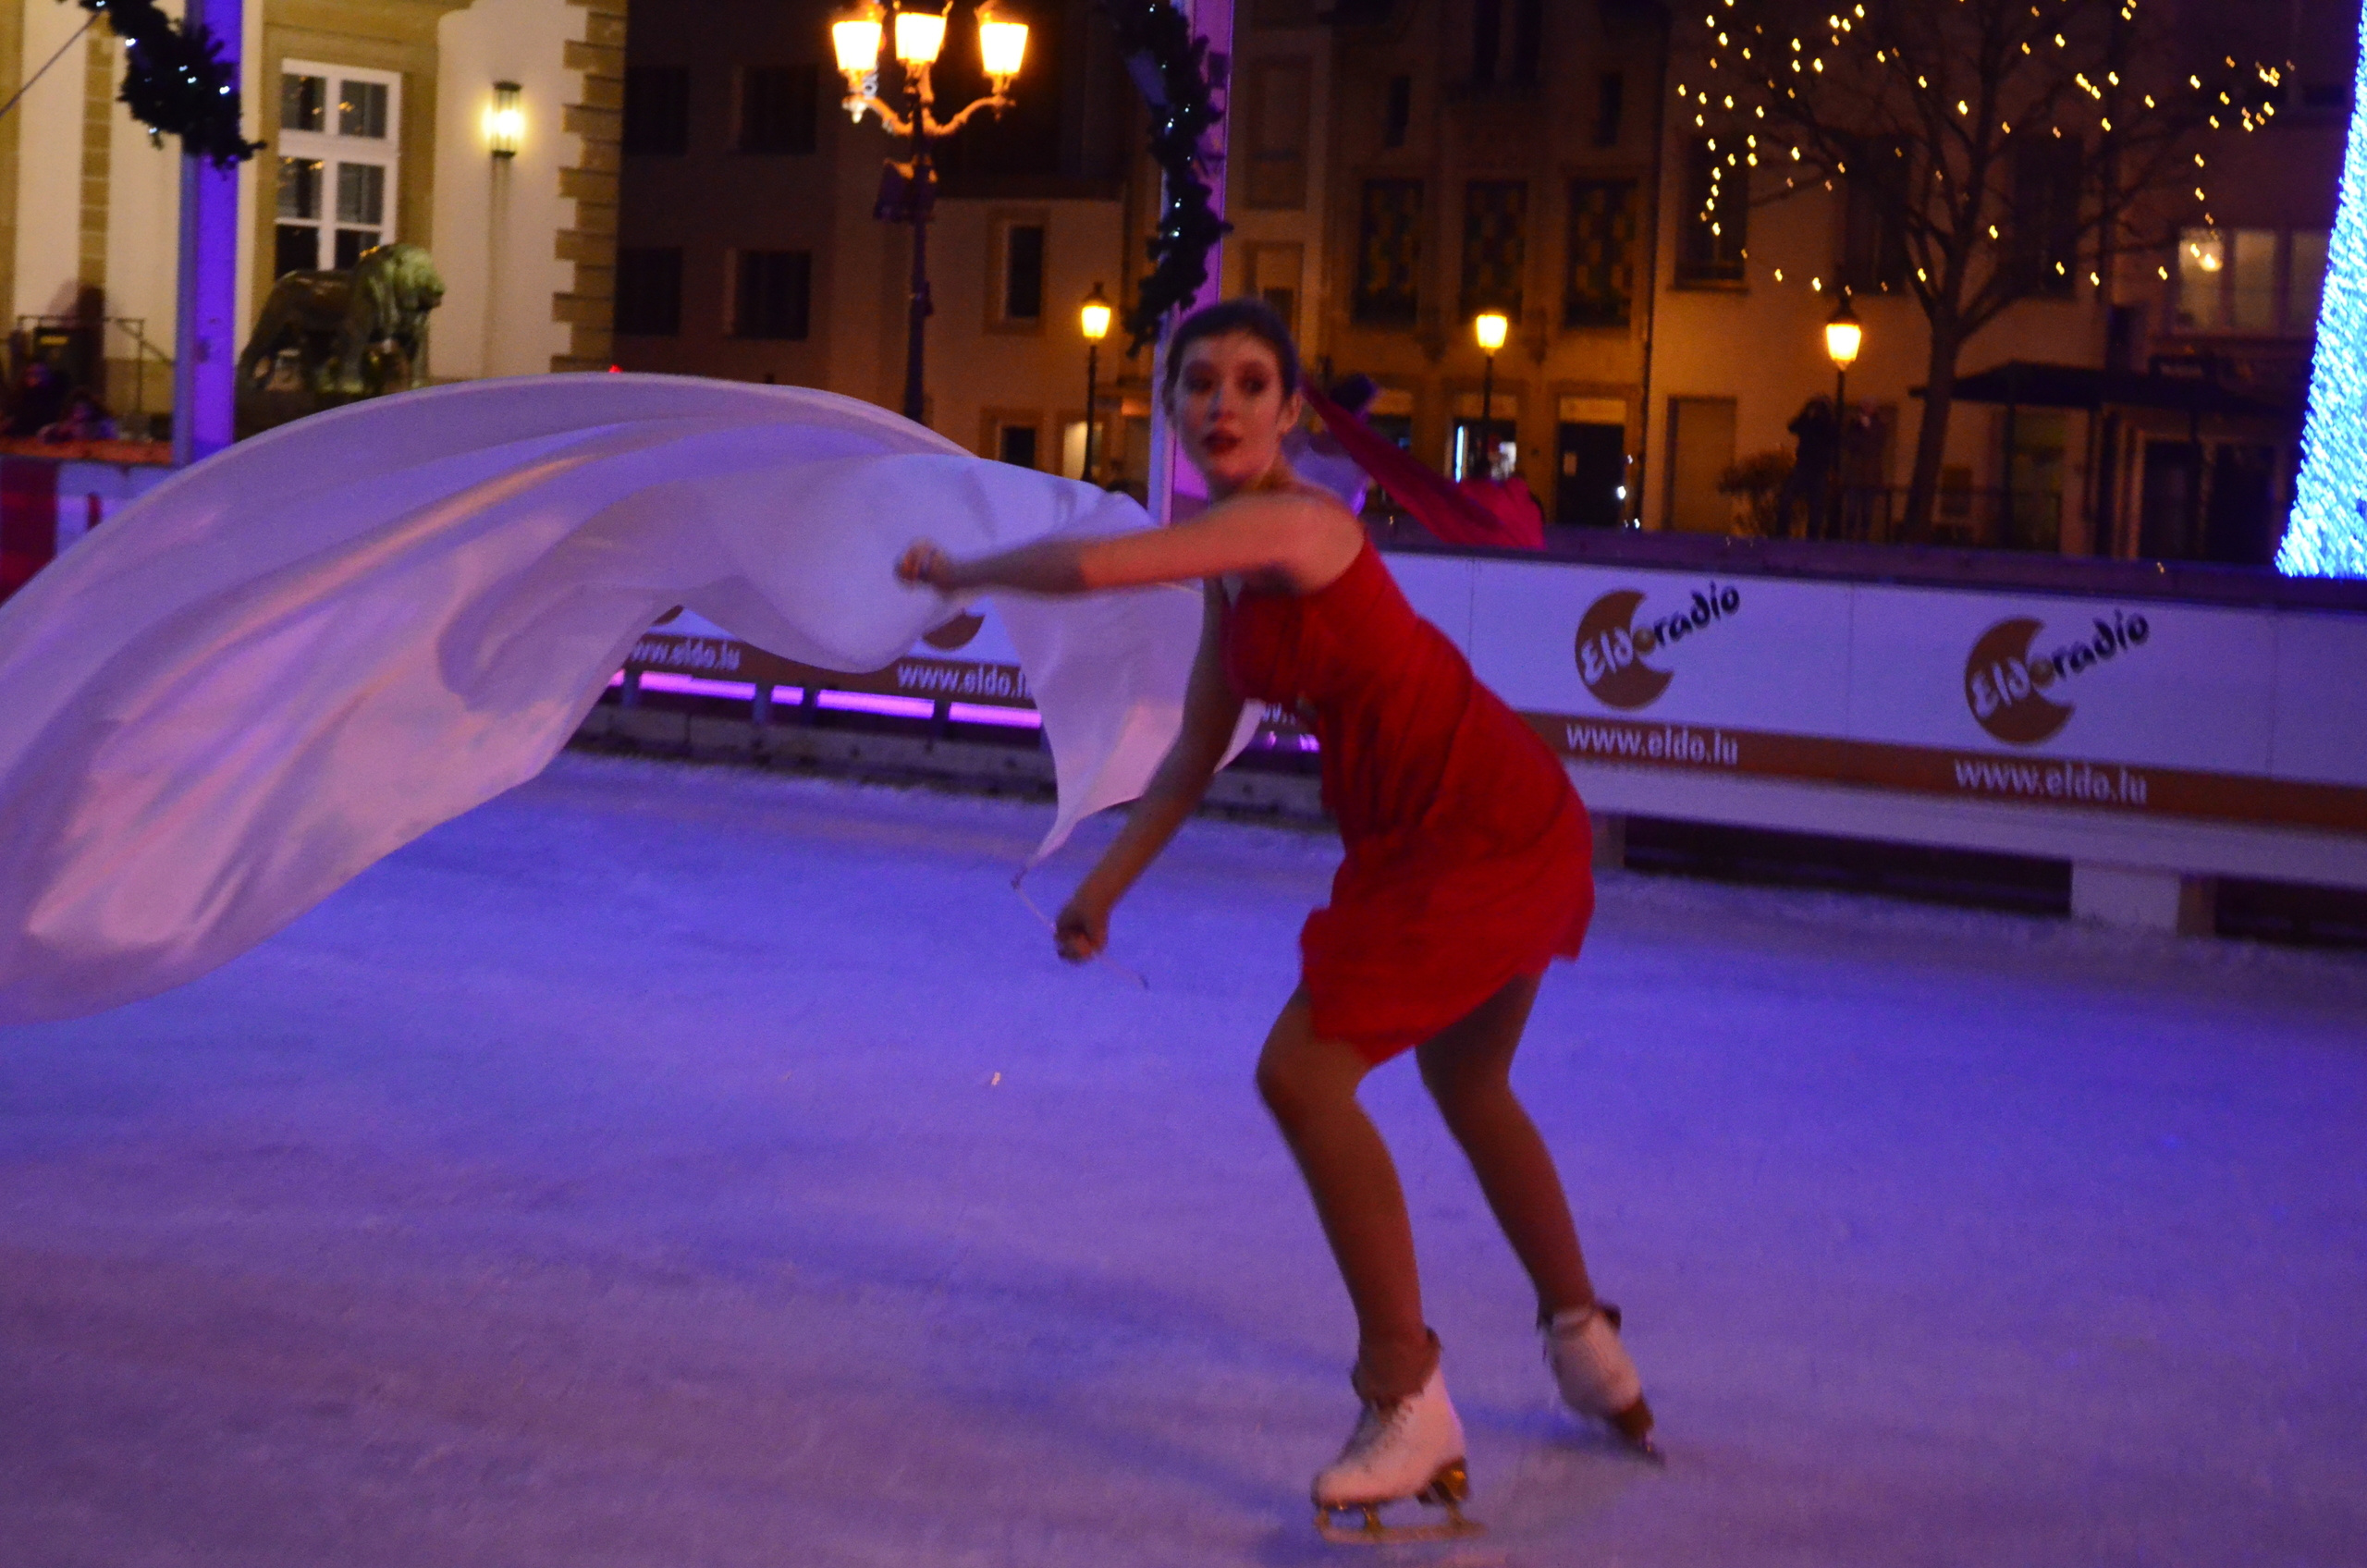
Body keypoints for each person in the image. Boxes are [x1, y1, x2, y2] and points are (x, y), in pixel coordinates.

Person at [895, 299, 1654, 1534]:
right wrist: (1104, 884)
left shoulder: (1301, 526)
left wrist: (964, 570)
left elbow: (1096, 568)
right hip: (1438, 830)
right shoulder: (1236, 589)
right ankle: (1585, 1341)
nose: (1224, 404)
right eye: (1201, 383)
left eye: (1253, 383)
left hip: (1480, 820)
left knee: (1304, 1075)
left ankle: (1406, 1394)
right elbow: (1197, 752)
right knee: (1469, 1084)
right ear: (1172, 409)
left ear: (1294, 412)